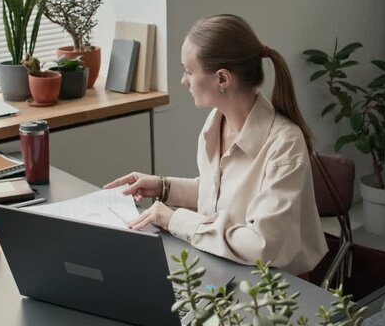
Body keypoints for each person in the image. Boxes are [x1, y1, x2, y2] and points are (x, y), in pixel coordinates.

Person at [104, 14, 327, 275]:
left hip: (274, 284)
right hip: (221, 265)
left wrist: (174, 219)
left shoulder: (285, 144)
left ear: (222, 79)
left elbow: (260, 245)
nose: (183, 80)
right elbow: (219, 196)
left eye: (189, 71)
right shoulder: (216, 122)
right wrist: (163, 187)